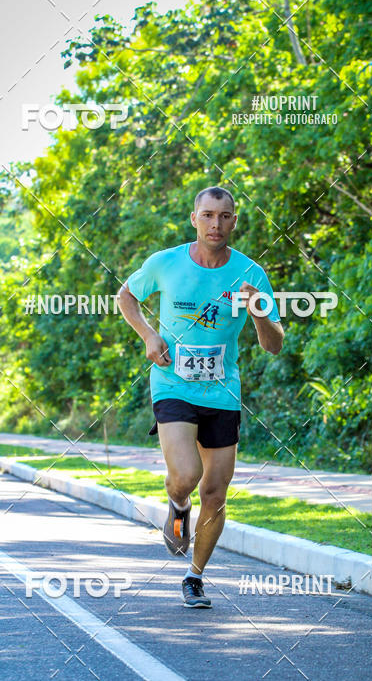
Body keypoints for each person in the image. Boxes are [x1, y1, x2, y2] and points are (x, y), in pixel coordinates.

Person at [117, 186, 284, 608]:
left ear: (235, 220)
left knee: (216, 492)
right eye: (208, 215)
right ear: (194, 218)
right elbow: (126, 297)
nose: (216, 224)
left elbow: (274, 345)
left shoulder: (251, 273)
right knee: (187, 475)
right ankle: (176, 504)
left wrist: (261, 312)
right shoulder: (167, 262)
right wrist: (149, 334)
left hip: (223, 392)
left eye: (224, 216)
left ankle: (195, 576)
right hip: (173, 382)